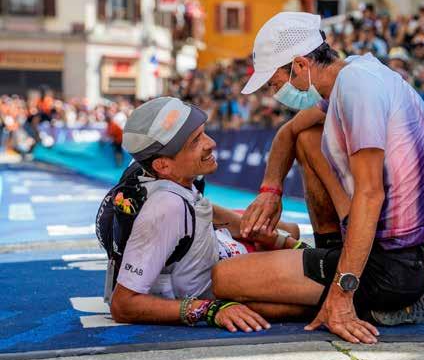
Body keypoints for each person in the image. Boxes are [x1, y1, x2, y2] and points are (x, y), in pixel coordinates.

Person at [212, 12, 424, 344]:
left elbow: (371, 195)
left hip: (393, 266)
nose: (274, 92)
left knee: (224, 280)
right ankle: (336, 263)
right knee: (308, 137)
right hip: (404, 254)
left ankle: (371, 296)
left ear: (299, 65)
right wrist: (270, 190)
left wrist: (342, 294)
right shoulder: (352, 74)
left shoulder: (357, 90)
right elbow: (287, 133)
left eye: (274, 83)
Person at [110, 97, 304, 332]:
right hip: (229, 278)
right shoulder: (165, 206)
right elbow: (123, 305)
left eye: (203, 133)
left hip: (225, 253)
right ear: (163, 165)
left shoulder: (164, 176)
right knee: (313, 291)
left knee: (290, 230)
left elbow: (205, 213)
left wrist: (283, 240)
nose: (211, 143)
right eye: (195, 141)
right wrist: (208, 310)